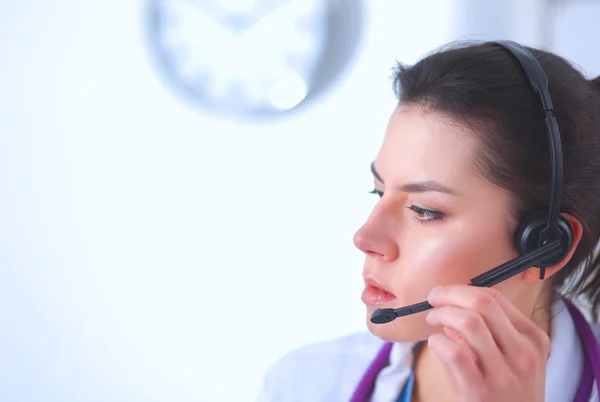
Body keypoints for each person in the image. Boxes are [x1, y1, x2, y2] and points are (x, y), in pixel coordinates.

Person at [254, 40, 600, 402]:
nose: (365, 238)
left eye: (424, 210)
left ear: (546, 245)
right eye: (378, 192)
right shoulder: (300, 384)